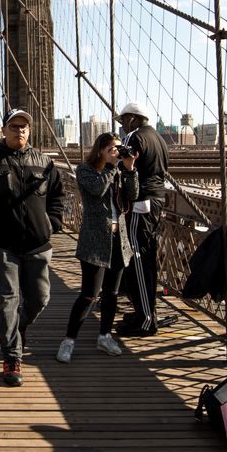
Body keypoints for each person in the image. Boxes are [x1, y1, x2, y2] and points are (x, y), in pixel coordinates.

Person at [0, 108, 67, 386]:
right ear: (4, 130)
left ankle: (16, 329)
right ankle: (11, 357)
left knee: (39, 299)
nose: (20, 130)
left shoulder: (44, 162)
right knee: (7, 300)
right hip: (0, 244)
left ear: (29, 131)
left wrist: (53, 223)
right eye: (14, 126)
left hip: (38, 245)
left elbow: (57, 195)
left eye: (24, 127)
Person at [57, 132, 139, 363]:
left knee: (111, 294)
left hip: (118, 239)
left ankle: (105, 336)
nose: (116, 152)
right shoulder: (85, 170)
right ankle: (68, 340)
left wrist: (130, 169)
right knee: (89, 294)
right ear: (100, 150)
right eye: (112, 148)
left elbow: (133, 195)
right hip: (94, 239)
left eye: (118, 148)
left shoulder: (119, 170)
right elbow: (97, 190)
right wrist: (112, 167)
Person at [116, 101, 171, 336]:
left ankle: (146, 320)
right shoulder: (159, 139)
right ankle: (143, 312)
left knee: (138, 259)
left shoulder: (134, 137)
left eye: (123, 120)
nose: (122, 125)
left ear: (133, 118)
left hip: (139, 203)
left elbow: (123, 167)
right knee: (147, 258)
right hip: (156, 201)